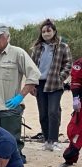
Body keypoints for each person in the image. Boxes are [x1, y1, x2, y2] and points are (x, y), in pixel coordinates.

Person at [0, 23, 40, 161]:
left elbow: (34, 75)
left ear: (7, 37)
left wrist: (20, 96)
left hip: (9, 106)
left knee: (12, 142)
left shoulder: (18, 53)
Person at [30, 19, 72, 151]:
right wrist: (31, 84)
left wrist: (60, 78)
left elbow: (68, 64)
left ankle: (54, 140)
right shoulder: (37, 48)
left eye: (48, 31)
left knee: (53, 112)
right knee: (43, 113)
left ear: (54, 31)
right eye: (43, 31)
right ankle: (47, 140)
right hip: (40, 83)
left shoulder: (63, 47)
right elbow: (31, 66)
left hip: (55, 83)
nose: (46, 33)